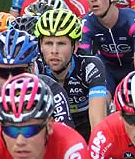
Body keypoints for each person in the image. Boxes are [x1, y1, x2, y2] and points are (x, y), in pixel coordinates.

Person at [0, 30, 72, 131]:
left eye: (18, 72)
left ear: (32, 69)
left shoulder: (51, 89)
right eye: (3, 72)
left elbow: (66, 133)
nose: (10, 79)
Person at [33, 8, 109, 140]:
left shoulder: (90, 66)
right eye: (49, 43)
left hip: (86, 123)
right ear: (40, 45)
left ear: (75, 46)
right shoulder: (35, 68)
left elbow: (97, 123)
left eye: (61, 43)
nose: (54, 51)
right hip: (51, 126)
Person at [78, 0, 135, 91]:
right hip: (106, 69)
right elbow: (83, 61)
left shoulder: (133, 21)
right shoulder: (86, 24)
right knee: (101, 98)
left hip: (131, 67)